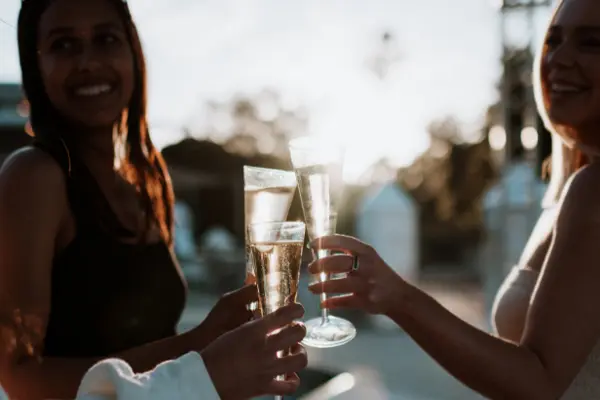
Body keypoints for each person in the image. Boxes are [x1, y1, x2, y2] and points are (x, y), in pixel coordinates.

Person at [0, 0, 306, 398]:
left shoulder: (147, 179)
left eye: (106, 39)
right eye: (63, 45)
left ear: (133, 53)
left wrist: (221, 342)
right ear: (35, 67)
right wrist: (202, 349)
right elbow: (18, 379)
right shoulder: (33, 176)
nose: (88, 62)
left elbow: (154, 339)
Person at [308, 0, 600, 398]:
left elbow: (539, 385)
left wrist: (400, 298)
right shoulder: (567, 188)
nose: (558, 59)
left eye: (592, 43)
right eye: (553, 40)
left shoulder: (593, 190)